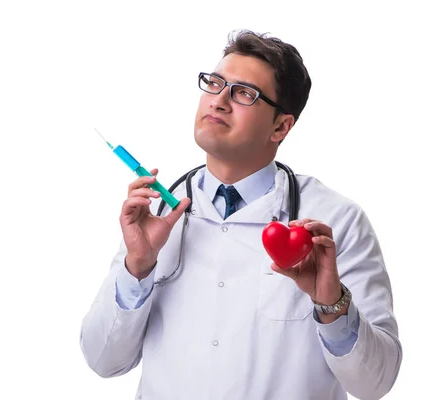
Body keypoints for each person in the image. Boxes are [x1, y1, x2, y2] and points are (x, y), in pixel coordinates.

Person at [80, 30, 402, 400]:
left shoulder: (336, 221)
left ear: (281, 127)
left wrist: (331, 304)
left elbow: (375, 384)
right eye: (215, 83)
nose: (218, 101)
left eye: (244, 93)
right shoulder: (158, 214)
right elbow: (103, 360)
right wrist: (137, 267)